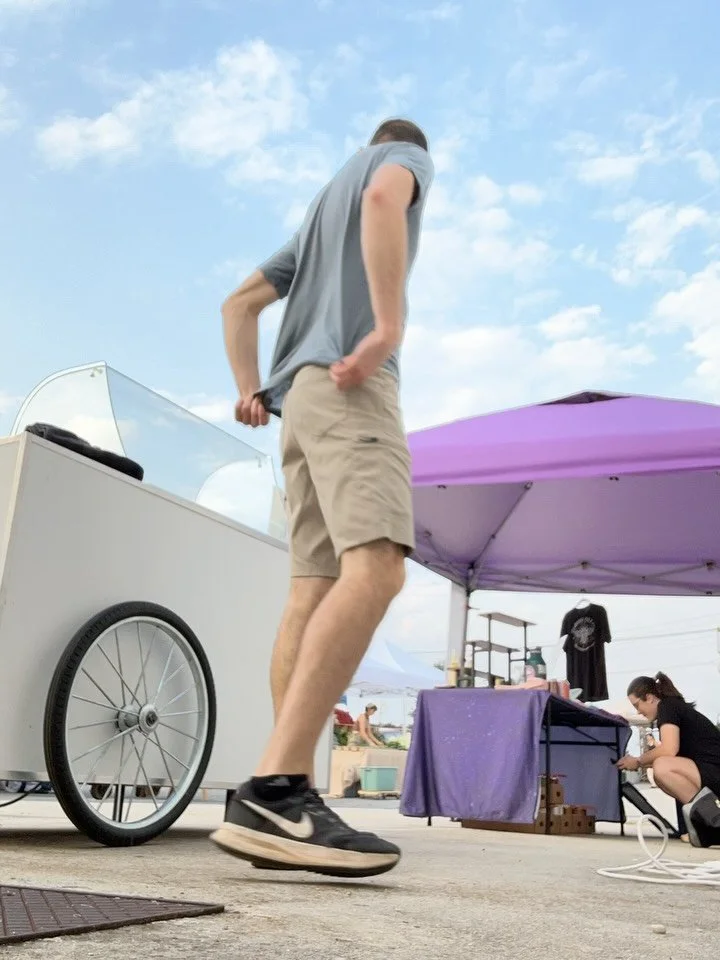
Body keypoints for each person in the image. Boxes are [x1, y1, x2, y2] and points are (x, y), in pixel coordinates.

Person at [209, 118, 434, 878]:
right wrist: (388, 326)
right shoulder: (397, 158)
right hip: (348, 386)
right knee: (378, 566)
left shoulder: (313, 217)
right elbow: (381, 197)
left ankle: (288, 797)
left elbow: (238, 304)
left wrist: (249, 389)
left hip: (295, 404)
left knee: (312, 588)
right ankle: (278, 786)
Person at [618, 672, 720, 847]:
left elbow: (668, 749)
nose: (638, 711)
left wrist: (638, 761)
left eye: (637, 704)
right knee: (660, 773)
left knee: (663, 766)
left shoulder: (667, 707)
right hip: (709, 771)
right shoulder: (673, 707)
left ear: (649, 698)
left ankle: (714, 824)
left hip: (714, 770)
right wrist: (637, 762)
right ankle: (709, 827)